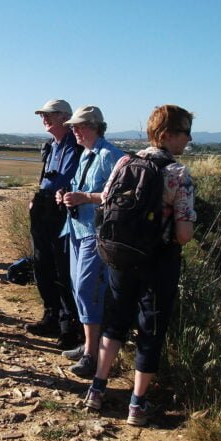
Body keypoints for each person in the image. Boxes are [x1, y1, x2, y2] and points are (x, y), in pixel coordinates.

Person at [83, 104, 196, 427]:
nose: (188, 140)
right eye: (185, 133)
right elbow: (184, 234)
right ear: (167, 135)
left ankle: (97, 389)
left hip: (120, 256)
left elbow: (105, 201)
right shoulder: (177, 174)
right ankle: (137, 405)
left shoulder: (124, 162)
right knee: (151, 329)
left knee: (115, 321)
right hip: (158, 261)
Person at [56, 105, 125, 378]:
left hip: (95, 232)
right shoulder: (87, 154)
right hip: (75, 228)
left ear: (95, 126)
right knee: (78, 286)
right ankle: (88, 344)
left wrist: (86, 198)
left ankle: (91, 355)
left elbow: (118, 196)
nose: (74, 131)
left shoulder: (112, 156)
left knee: (87, 289)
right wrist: (65, 195)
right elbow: (79, 185)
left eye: (79, 126)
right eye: (73, 127)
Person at [26, 99, 82, 349]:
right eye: (43, 115)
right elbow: (47, 179)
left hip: (62, 209)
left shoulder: (75, 145)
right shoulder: (51, 146)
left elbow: (68, 180)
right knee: (42, 263)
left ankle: (68, 326)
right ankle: (50, 315)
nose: (44, 119)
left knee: (62, 267)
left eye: (50, 114)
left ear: (65, 118)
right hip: (44, 206)